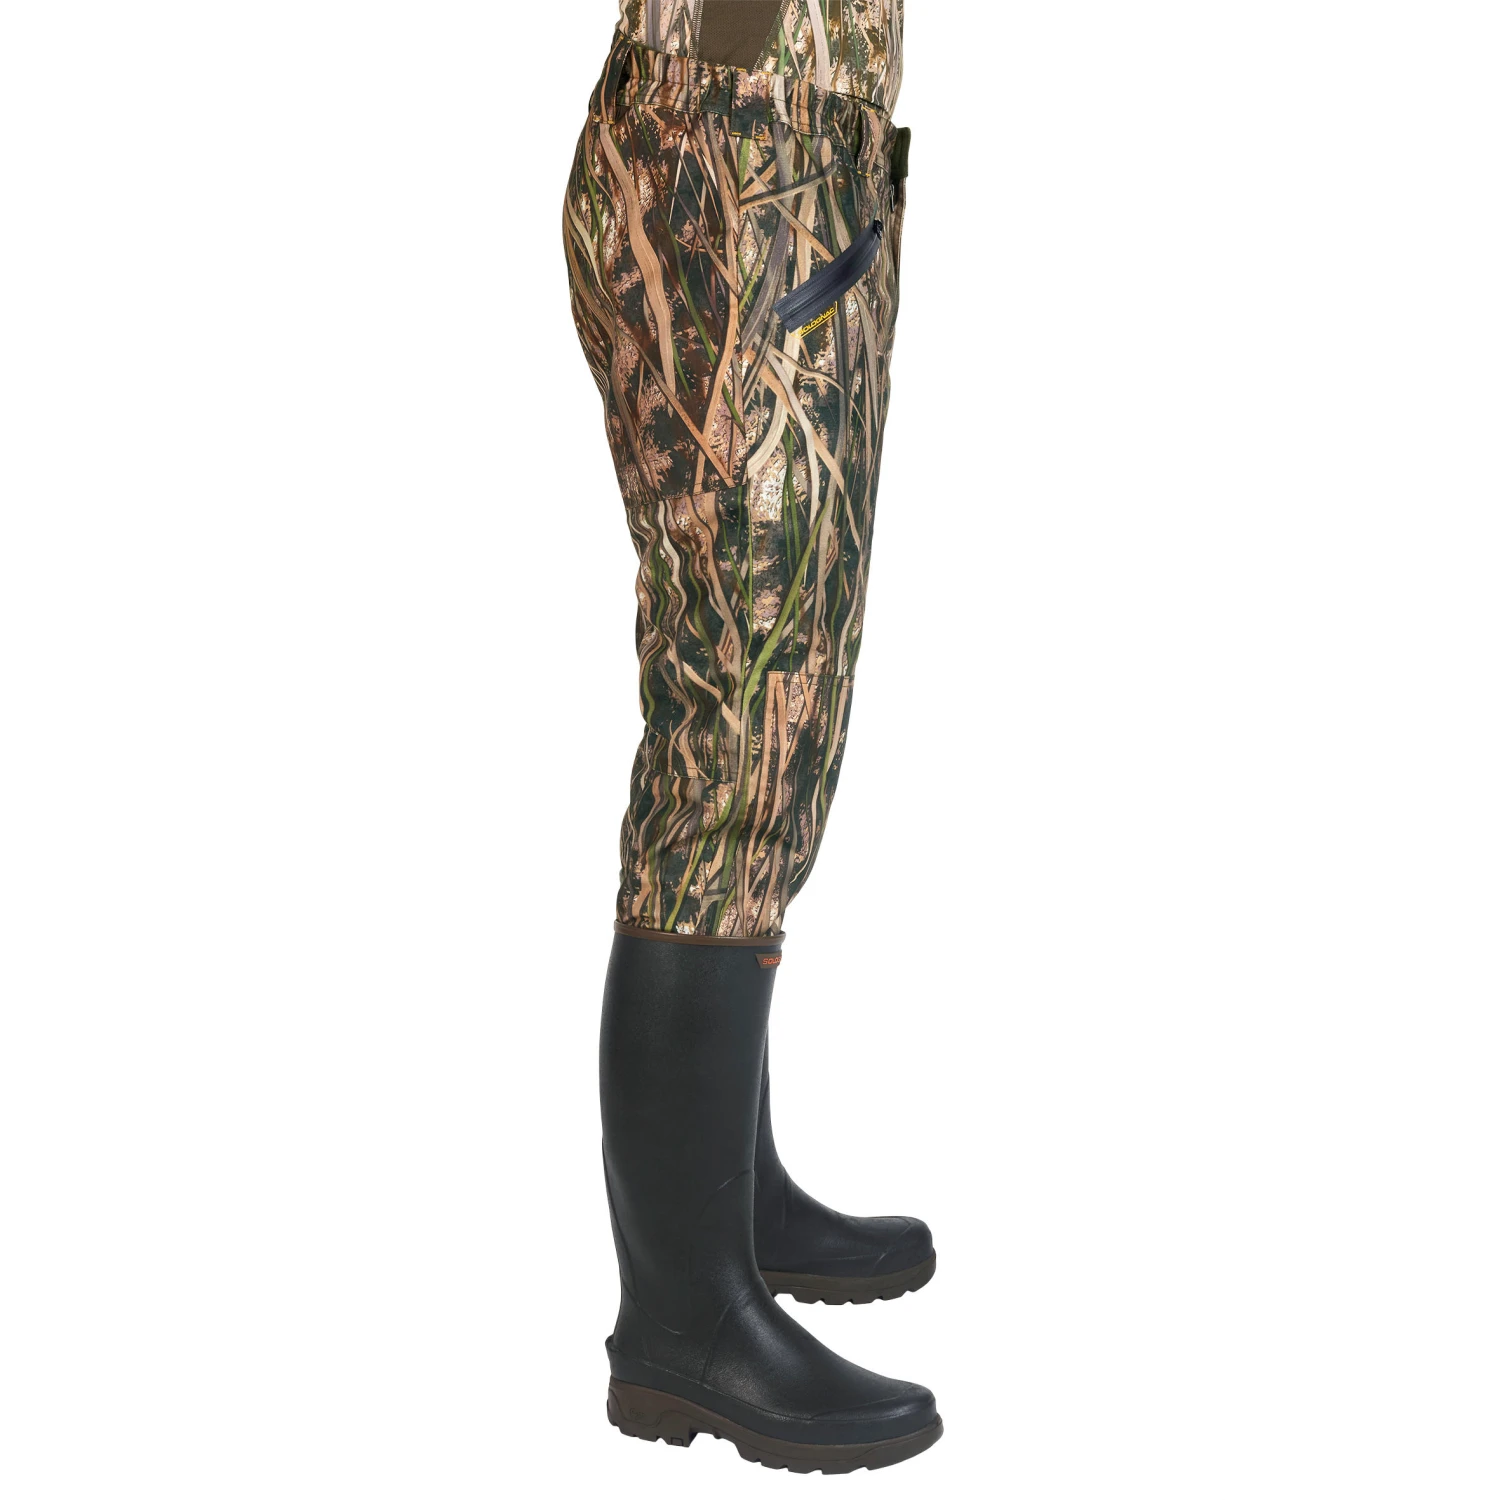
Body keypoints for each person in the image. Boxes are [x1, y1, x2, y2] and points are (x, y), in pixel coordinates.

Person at [562, 1, 939, 1471]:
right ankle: (684, 1323)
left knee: (772, 716)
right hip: (746, 152)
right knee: (740, 727)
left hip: (776, 146)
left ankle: (731, 1206)